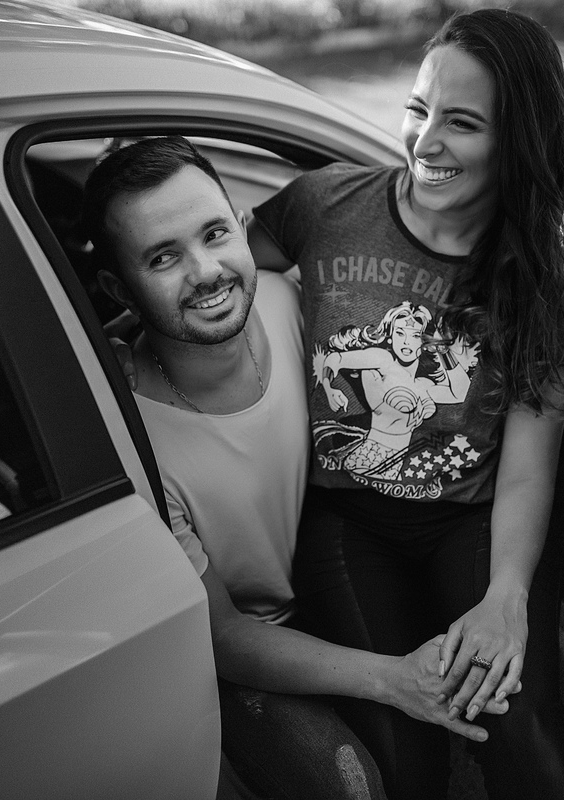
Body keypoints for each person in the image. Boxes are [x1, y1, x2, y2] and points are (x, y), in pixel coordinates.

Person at [81, 135, 509, 800]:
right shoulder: (133, 442)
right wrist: (393, 677)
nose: (206, 271)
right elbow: (223, 635)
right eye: (163, 257)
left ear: (241, 225)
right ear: (118, 286)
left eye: (215, 233)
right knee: (349, 780)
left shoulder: (296, 301)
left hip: (358, 567)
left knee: (533, 663)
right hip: (261, 641)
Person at [246, 9, 564, 799]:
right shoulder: (324, 206)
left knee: (519, 726)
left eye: (462, 123)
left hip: (472, 524)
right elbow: (215, 282)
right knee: (403, 763)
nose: (425, 140)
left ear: (519, 144)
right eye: (417, 108)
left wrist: (507, 598)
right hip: (344, 520)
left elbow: (530, 469)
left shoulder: (546, 283)